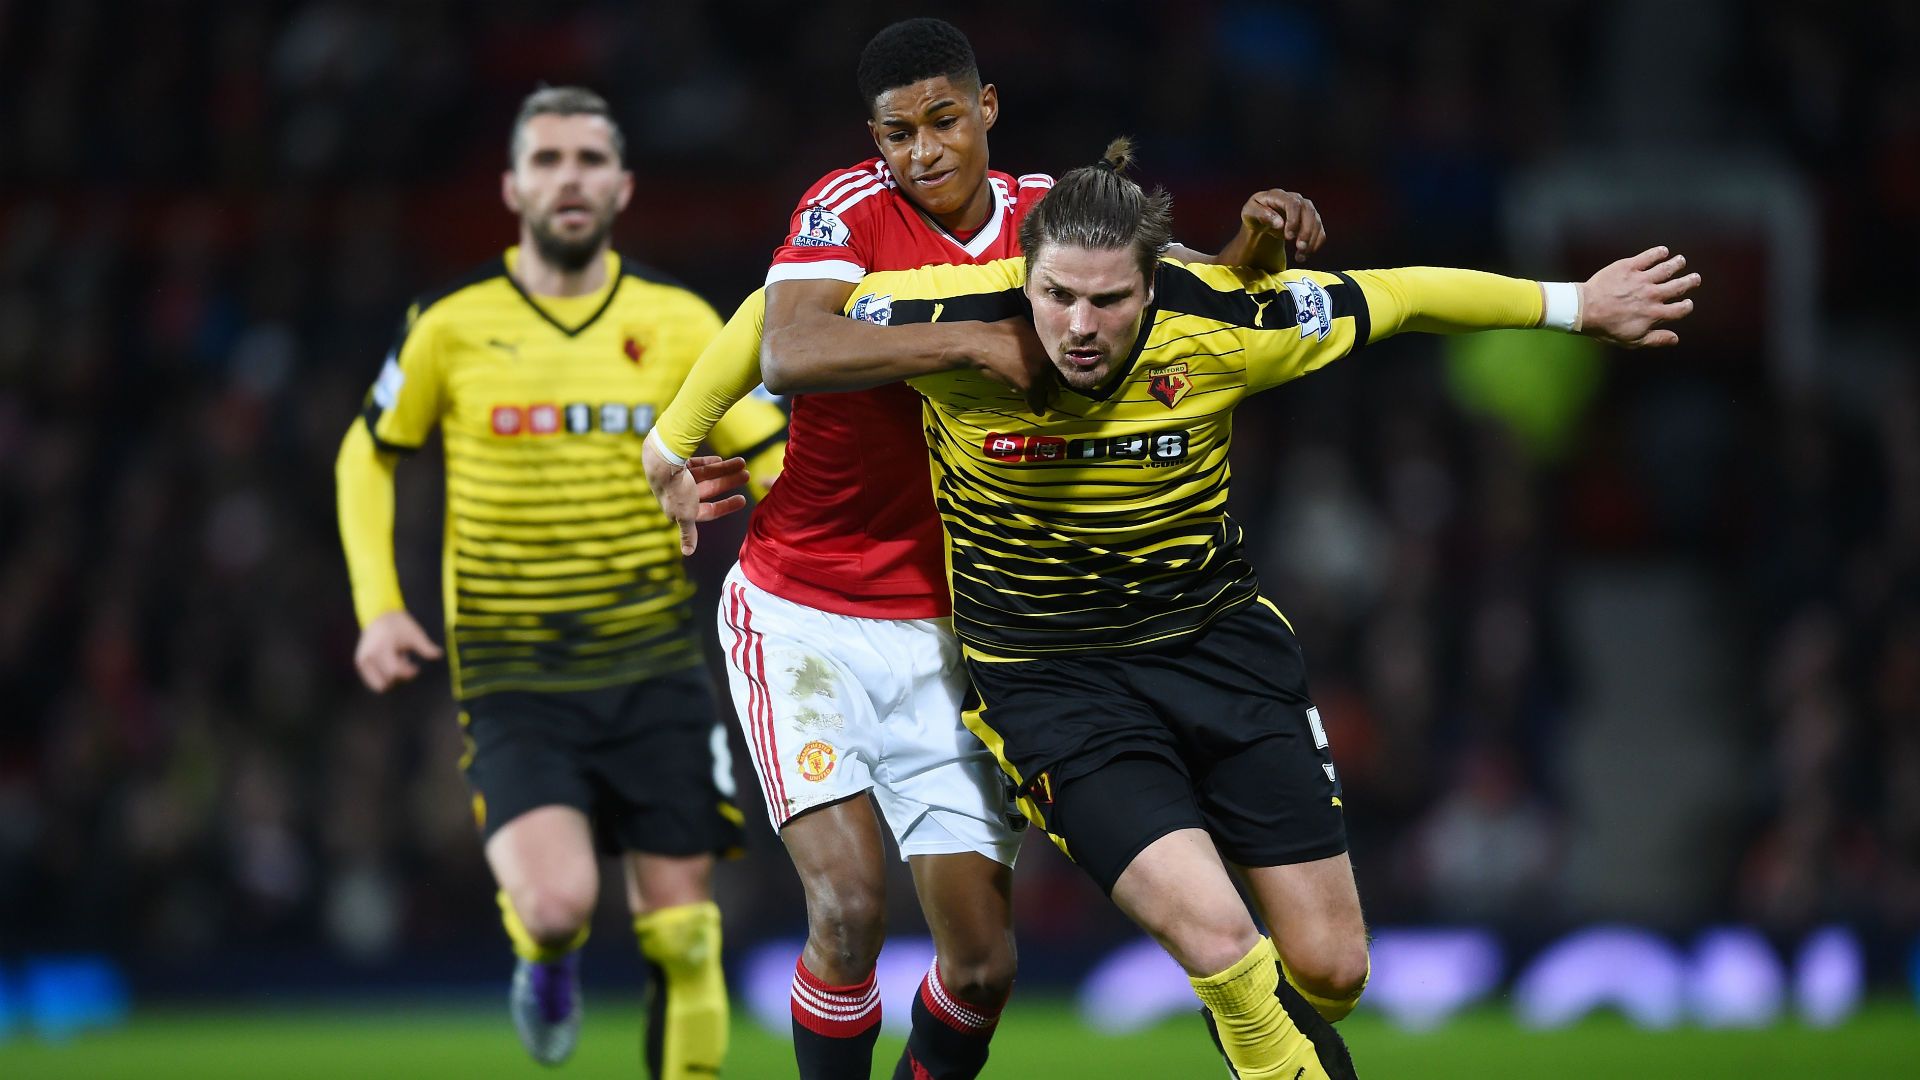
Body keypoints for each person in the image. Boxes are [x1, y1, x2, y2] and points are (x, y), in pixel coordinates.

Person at [660, 139, 1699, 1078]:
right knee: (1224, 954)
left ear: (1153, 284)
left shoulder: (1226, 319)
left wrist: (1574, 303)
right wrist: (684, 443)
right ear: (1022, 276)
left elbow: (1403, 294)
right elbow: (781, 316)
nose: (1076, 326)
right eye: (1056, 295)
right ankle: (1247, 1021)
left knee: (1332, 974)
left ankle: (1252, 1010)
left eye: (1108, 301)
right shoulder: (963, 311)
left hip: (1216, 650)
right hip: (1051, 682)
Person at [643, 19, 1320, 1080]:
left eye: (943, 120)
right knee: (850, 905)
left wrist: (1257, 248)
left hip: (960, 630)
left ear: (987, 108)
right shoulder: (845, 210)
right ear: (873, 138)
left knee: (982, 970)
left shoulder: (1050, 221)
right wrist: (967, 339)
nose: (922, 151)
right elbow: (789, 342)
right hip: (803, 613)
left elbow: (1190, 292)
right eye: (897, 131)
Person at [333, 85, 786, 1077]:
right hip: (514, 671)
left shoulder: (677, 321)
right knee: (556, 906)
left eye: (588, 160)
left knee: (687, 934)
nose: (568, 178)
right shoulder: (451, 323)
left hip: (657, 661)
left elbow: (775, 450)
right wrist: (379, 608)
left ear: (622, 186)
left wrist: (773, 510)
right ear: (511, 186)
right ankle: (545, 962)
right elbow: (366, 455)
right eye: (547, 160)